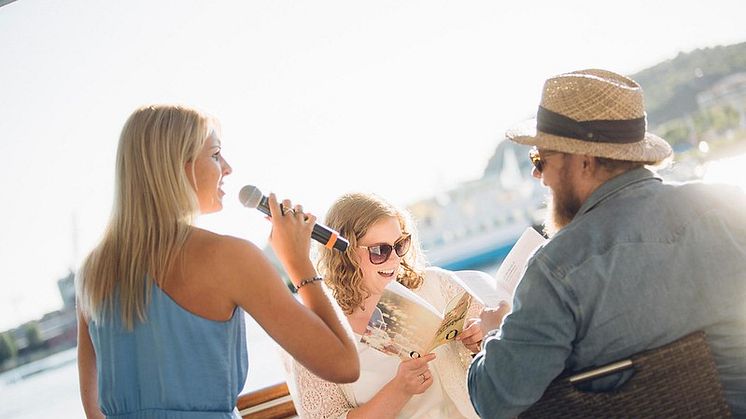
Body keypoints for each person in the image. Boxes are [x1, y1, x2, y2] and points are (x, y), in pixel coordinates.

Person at [467, 69, 746, 417]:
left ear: (584, 161)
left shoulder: (556, 269)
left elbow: (495, 399)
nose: (539, 176)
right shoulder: (731, 208)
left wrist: (495, 334)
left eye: (540, 160)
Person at [76, 104, 360, 419]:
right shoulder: (229, 258)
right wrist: (298, 263)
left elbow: (94, 411)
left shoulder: (93, 271)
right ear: (176, 168)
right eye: (215, 155)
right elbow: (344, 364)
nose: (227, 168)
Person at [284, 192, 484, 418]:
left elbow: (502, 350)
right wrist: (399, 390)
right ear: (345, 255)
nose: (394, 259)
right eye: (380, 251)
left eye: (400, 244)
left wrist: (482, 342)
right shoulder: (322, 332)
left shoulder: (437, 284)